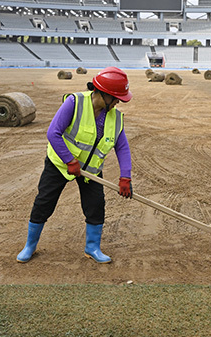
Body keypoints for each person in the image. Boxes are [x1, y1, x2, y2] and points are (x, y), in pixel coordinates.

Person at [16, 66, 133, 264]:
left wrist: (125, 177)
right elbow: (53, 133)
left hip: (91, 171)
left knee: (96, 207)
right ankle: (30, 246)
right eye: (116, 98)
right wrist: (69, 160)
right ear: (103, 94)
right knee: (44, 203)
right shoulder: (75, 102)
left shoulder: (115, 118)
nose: (117, 103)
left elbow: (122, 149)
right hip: (60, 165)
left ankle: (92, 248)